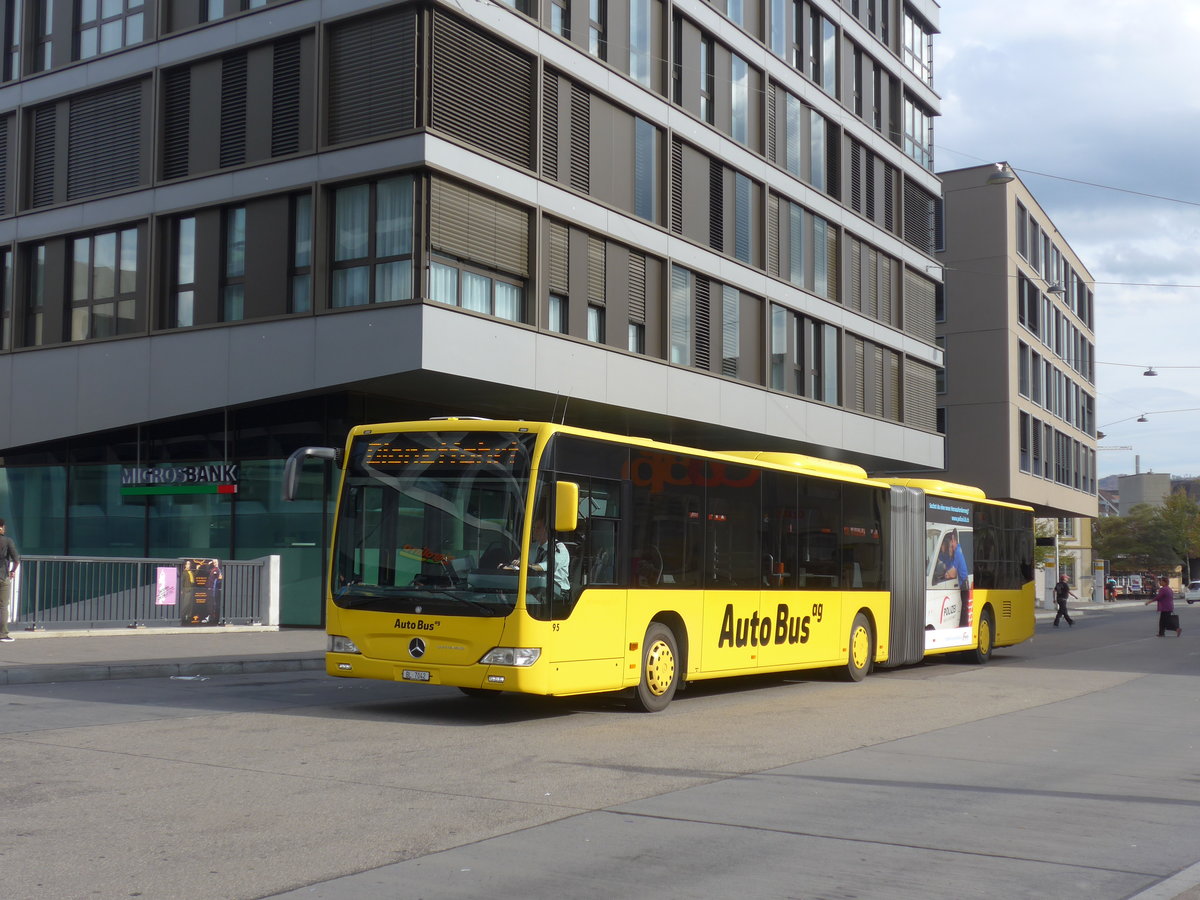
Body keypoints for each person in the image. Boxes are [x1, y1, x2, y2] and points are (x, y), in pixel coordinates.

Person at [0, 518, 20, 642]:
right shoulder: (7, 541)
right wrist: (12, 571)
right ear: (1, 527)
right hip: (2, 576)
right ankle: (3, 634)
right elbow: (16, 560)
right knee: (3, 606)